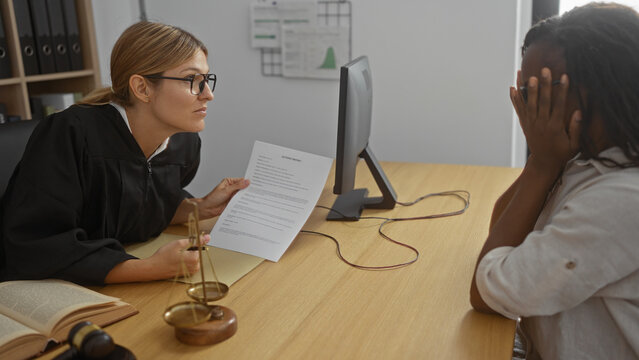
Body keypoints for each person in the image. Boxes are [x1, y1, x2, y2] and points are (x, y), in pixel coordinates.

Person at [0, 21, 249, 286]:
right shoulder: (70, 134)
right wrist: (150, 268)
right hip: (42, 289)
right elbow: (36, 247)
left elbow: (136, 210)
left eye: (206, 79)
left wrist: (197, 208)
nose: (208, 94)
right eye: (192, 80)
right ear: (142, 88)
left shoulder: (184, 143)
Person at [469, 3, 639, 360]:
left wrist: (544, 163)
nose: (529, 107)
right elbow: (500, 230)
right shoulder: (586, 157)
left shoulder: (622, 199)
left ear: (600, 87)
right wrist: (542, 164)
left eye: (540, 90)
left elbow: (487, 295)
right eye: (526, 91)